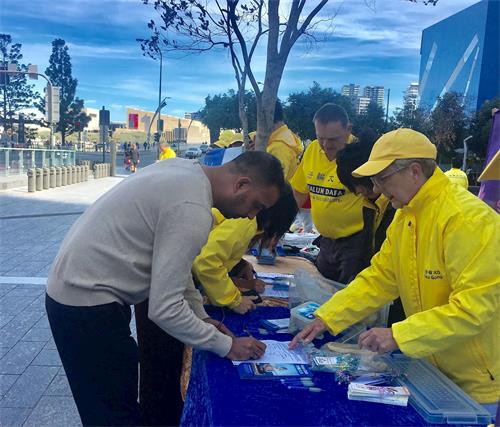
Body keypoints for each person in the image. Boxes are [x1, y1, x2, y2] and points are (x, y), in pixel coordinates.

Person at [45, 151, 286, 426]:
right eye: (256, 205)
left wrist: (202, 317)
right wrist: (227, 346)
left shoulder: (185, 171)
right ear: (241, 184)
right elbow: (164, 309)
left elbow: (177, 272)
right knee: (112, 415)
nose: (251, 216)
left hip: (79, 293)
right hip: (85, 306)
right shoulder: (191, 208)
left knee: (114, 405)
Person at [290, 128, 499, 410]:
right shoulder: (406, 215)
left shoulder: (468, 220)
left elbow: (473, 309)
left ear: (414, 171)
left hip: (473, 380)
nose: (376, 188)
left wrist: (398, 335)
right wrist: (327, 317)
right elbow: (380, 278)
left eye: (382, 178)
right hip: (428, 363)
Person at [193, 184, 298, 315]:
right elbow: (205, 261)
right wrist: (234, 301)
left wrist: (240, 264)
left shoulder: (247, 219)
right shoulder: (246, 222)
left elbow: (217, 246)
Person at [290, 103, 365, 283]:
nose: (325, 145)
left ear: (348, 130)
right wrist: (278, 227)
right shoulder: (313, 150)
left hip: (354, 243)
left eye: (332, 139)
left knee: (347, 297)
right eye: (320, 138)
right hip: (325, 241)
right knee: (321, 291)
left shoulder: (360, 154)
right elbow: (298, 193)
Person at [336, 129, 404, 325]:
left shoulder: (398, 207)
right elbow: (373, 259)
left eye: (355, 186)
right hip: (383, 296)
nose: (358, 193)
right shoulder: (370, 204)